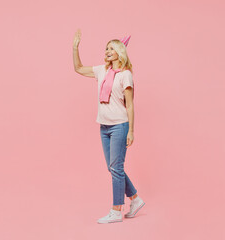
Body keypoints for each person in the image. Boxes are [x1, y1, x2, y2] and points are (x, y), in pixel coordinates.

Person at [72, 29, 145, 224]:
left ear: (120, 52)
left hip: (119, 126)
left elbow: (129, 105)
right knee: (113, 168)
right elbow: (78, 68)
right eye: (106, 48)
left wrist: (131, 130)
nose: (107, 50)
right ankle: (135, 200)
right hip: (104, 126)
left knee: (116, 168)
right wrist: (75, 48)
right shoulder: (101, 70)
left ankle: (116, 211)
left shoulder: (125, 75)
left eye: (111, 48)